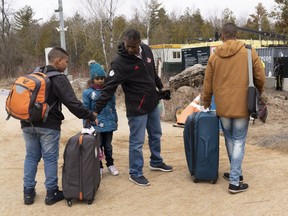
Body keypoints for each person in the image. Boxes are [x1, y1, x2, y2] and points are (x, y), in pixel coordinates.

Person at [93, 29, 173, 187]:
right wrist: (95, 110)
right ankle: (135, 172)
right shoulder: (119, 63)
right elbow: (108, 89)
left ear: (140, 44)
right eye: (127, 46)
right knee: (137, 142)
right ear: (124, 42)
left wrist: (160, 86)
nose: (130, 49)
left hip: (152, 102)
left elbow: (151, 72)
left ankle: (156, 161)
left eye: (133, 47)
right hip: (136, 108)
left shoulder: (147, 51)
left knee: (156, 134)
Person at [21, 47, 97, 205]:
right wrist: (90, 115)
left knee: (31, 157)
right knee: (50, 158)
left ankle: (28, 193)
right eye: (66, 62)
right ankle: (51, 193)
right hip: (48, 125)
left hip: (27, 123)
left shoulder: (35, 74)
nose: (67, 65)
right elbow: (72, 103)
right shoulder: (58, 78)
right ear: (57, 61)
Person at [202, 23, 265, 194]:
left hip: (222, 106)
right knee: (238, 140)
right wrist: (259, 91)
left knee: (230, 139)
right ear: (236, 35)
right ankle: (235, 182)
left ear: (222, 36)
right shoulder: (249, 51)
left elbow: (207, 84)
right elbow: (260, 75)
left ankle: (235, 174)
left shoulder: (214, 57)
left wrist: (206, 102)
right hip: (242, 105)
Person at [82, 60, 119, 177]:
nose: (100, 80)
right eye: (98, 78)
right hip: (96, 125)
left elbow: (113, 106)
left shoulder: (109, 91)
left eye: (102, 78)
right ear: (92, 79)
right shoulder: (87, 93)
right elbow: (86, 109)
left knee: (108, 145)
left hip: (109, 124)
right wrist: (87, 124)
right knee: (97, 146)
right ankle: (99, 166)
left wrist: (115, 119)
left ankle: (110, 164)